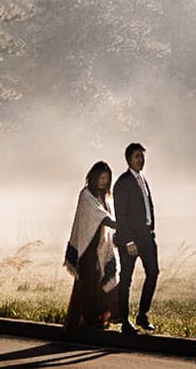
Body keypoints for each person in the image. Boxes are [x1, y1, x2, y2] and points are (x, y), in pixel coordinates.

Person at [62, 160, 119, 331]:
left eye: (106, 179)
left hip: (100, 245)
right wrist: (119, 224)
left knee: (101, 281)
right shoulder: (86, 195)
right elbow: (100, 216)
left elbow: (107, 217)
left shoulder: (105, 198)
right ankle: (86, 321)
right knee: (87, 284)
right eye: (101, 177)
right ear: (94, 177)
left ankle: (101, 319)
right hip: (87, 247)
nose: (103, 181)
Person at [112, 141, 159, 334]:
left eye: (142, 156)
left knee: (153, 273)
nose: (141, 159)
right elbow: (120, 216)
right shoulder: (123, 182)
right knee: (126, 279)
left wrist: (152, 230)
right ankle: (124, 320)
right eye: (137, 156)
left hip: (147, 237)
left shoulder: (142, 179)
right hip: (130, 240)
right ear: (129, 159)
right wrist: (128, 241)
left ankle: (142, 315)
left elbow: (148, 207)